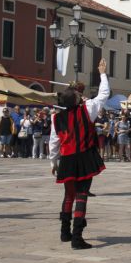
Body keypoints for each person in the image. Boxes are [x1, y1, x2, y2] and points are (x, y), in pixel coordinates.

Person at [49, 59, 109, 249]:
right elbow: (104, 94)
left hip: (66, 159)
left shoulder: (56, 118)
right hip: (83, 156)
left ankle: (65, 233)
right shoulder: (87, 109)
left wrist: (53, 163)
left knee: (68, 196)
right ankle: (77, 237)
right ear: (76, 100)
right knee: (82, 195)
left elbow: (54, 142)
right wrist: (102, 73)